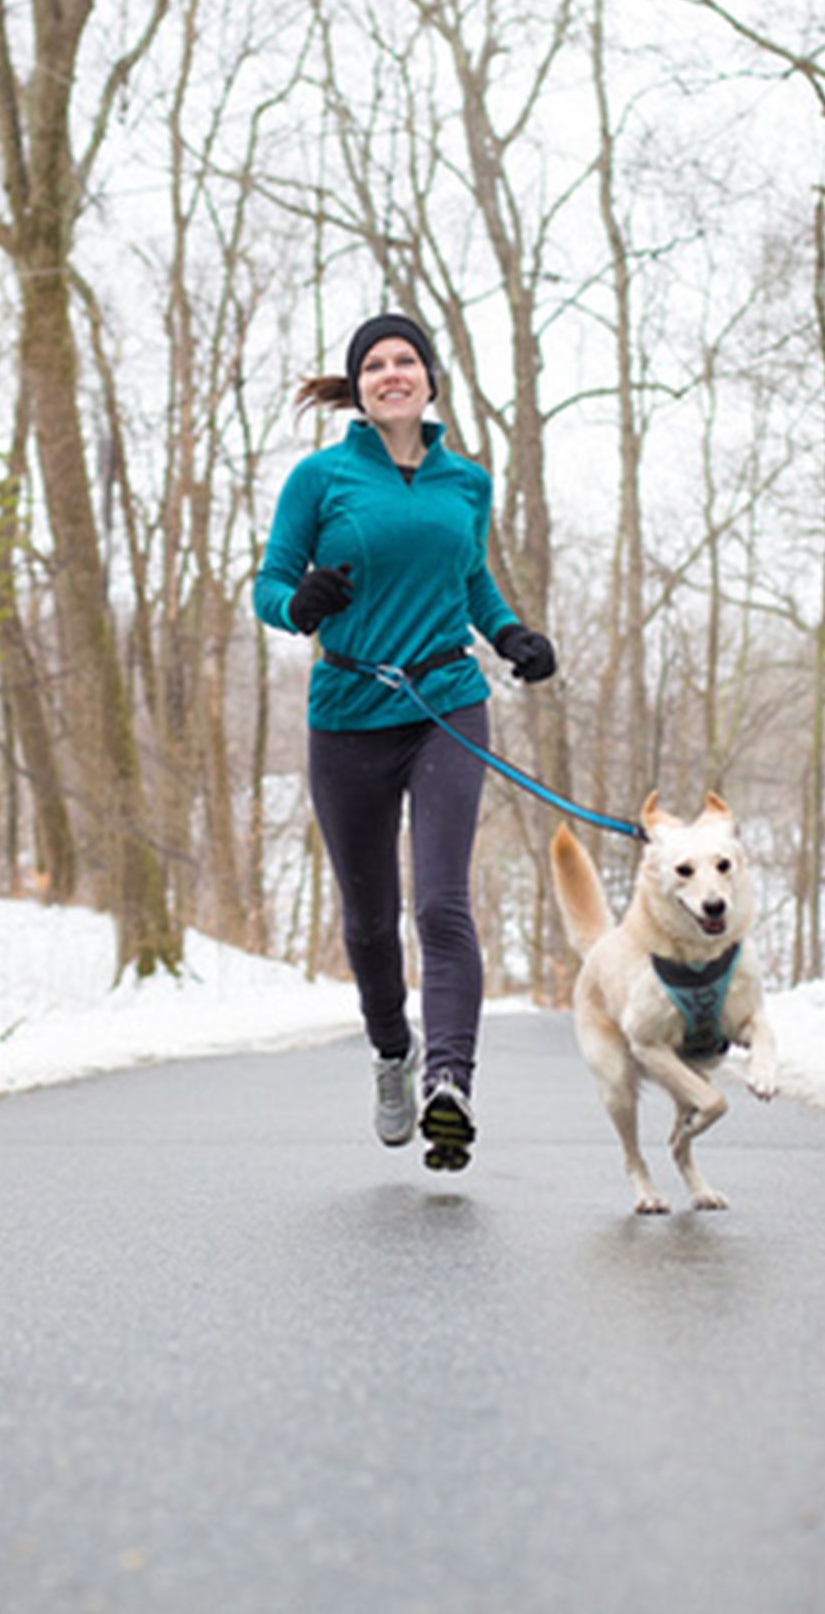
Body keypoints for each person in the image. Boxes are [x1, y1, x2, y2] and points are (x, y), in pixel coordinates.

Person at [253, 313, 557, 1172]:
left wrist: (510, 635)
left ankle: (449, 1084)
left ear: (430, 379)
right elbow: (270, 584)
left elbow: (469, 579)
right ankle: (395, 1053)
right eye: (376, 364)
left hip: (446, 701)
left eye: (407, 361)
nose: (393, 373)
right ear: (358, 386)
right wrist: (298, 603)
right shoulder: (320, 479)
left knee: (441, 904)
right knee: (369, 918)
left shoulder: (467, 482)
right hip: (348, 710)